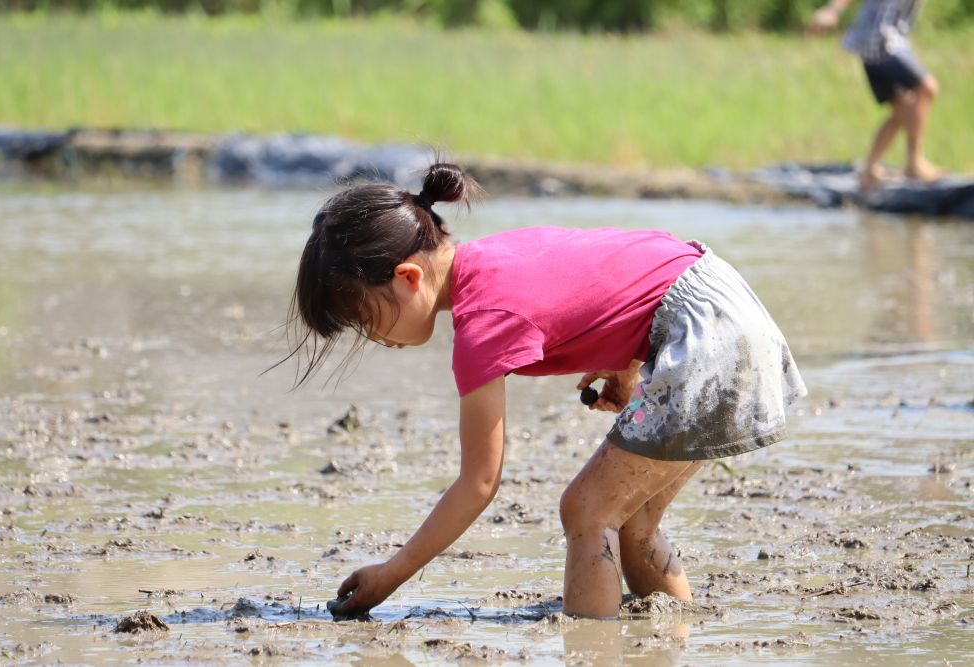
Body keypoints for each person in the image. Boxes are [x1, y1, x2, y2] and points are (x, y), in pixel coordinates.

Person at [289, 163, 807, 619]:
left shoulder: (481, 325)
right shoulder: (492, 256)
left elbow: (479, 482)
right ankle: (674, 638)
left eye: (363, 318)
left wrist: (393, 572)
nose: (372, 337)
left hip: (702, 343)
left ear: (406, 277)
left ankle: (592, 651)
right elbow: (618, 272)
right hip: (722, 306)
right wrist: (627, 362)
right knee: (634, 520)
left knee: (587, 511)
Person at [809, 0, 943, 189]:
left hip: (883, 43)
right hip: (882, 43)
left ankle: (870, 169)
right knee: (928, 88)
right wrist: (832, 10)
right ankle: (914, 163)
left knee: (904, 111)